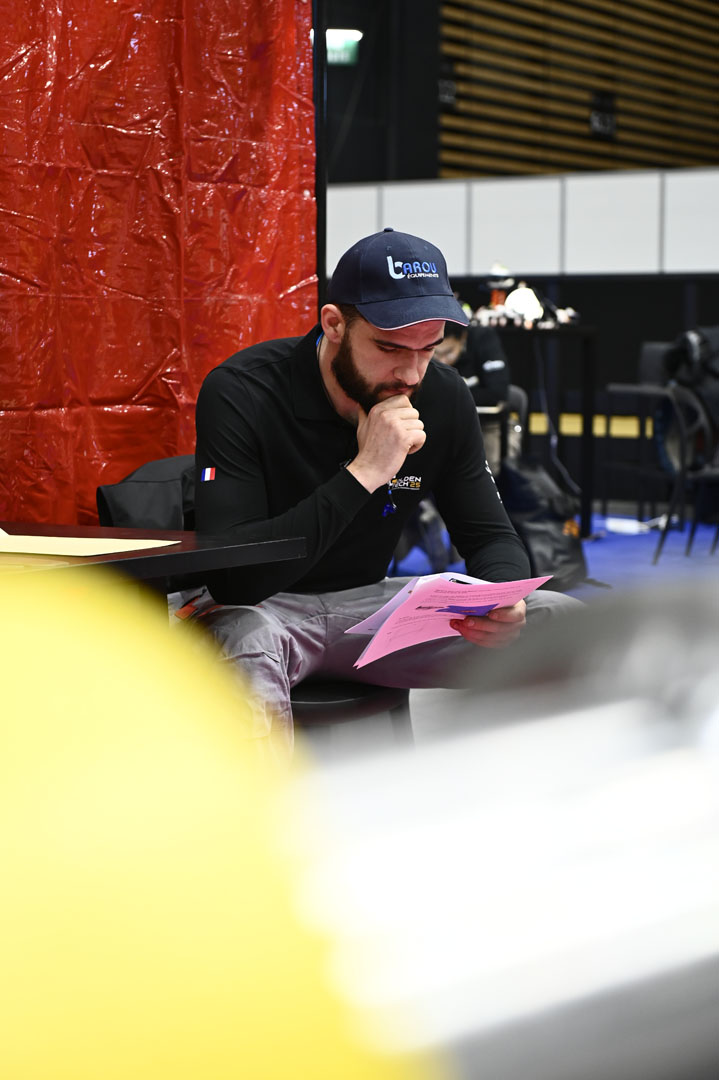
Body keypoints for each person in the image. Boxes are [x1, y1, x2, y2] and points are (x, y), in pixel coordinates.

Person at [190, 228, 580, 749]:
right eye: (390, 347)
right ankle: (263, 803)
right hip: (263, 609)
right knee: (243, 641)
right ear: (334, 324)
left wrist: (503, 598)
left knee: (563, 621)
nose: (410, 374)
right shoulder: (243, 390)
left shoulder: (442, 397)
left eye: (429, 349)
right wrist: (366, 471)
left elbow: (490, 535)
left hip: (372, 613)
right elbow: (233, 581)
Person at [433, 319, 513, 473]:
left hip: (483, 423)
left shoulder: (483, 339)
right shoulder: (424, 350)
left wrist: (446, 398)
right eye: (435, 353)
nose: (442, 361)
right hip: (437, 423)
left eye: (449, 352)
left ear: (463, 338)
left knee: (484, 469)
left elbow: (497, 393)